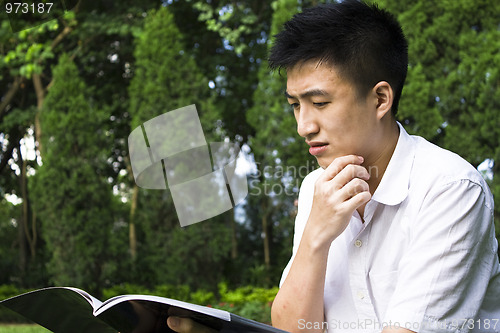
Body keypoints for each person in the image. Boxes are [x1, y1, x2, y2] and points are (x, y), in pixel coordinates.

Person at [167, 0, 500, 332]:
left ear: (380, 99)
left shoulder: (449, 188)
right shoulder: (316, 186)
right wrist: (316, 234)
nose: (303, 126)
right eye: (295, 105)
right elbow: (293, 329)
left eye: (320, 103)